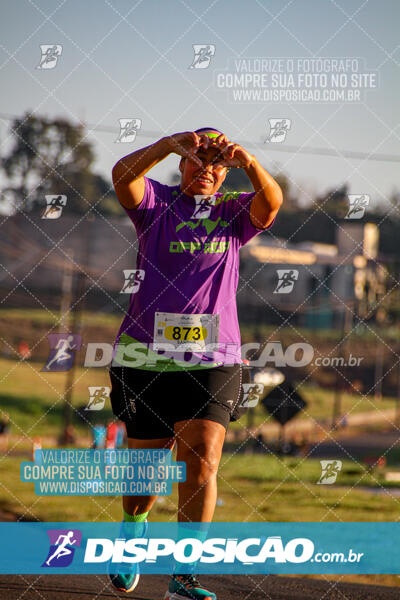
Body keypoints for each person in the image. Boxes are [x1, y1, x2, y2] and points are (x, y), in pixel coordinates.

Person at [108, 127, 283, 598]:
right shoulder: (157, 204)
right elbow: (122, 176)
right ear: (182, 164)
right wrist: (168, 143)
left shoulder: (232, 211)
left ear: (225, 173)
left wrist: (248, 162)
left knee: (203, 458)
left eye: (215, 162)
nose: (206, 167)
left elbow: (272, 202)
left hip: (214, 357)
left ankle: (183, 577)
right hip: (144, 356)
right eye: (197, 158)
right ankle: (134, 525)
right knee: (146, 471)